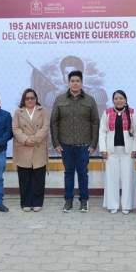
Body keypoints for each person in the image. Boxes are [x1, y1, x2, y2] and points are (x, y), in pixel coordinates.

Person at [50, 70, 100, 213]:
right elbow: (54, 122)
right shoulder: (60, 99)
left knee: (83, 174)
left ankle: (84, 201)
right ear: (68, 82)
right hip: (65, 146)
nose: (75, 83)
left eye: (78, 81)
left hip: (84, 146)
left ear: (82, 83)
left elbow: (95, 122)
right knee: (68, 173)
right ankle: (68, 201)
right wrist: (56, 143)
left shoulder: (90, 100)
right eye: (72, 81)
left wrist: (93, 144)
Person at [99, 90, 136, 214]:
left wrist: (135, 149)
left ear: (125, 100)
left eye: (121, 98)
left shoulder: (132, 113)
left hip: (128, 152)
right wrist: (103, 149)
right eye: (116, 98)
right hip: (111, 152)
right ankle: (113, 205)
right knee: (111, 179)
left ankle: (126, 205)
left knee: (128, 178)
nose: (119, 100)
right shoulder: (107, 112)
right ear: (113, 100)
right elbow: (102, 132)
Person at [12, 88, 49, 211]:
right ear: (24, 99)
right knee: (24, 178)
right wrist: (26, 140)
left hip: (38, 147)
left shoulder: (42, 111)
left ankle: (38, 202)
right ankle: (26, 203)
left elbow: (45, 127)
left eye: (32, 98)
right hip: (23, 147)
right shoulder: (18, 112)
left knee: (39, 178)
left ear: (36, 99)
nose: (30, 100)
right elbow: (15, 128)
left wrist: (34, 139)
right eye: (27, 98)